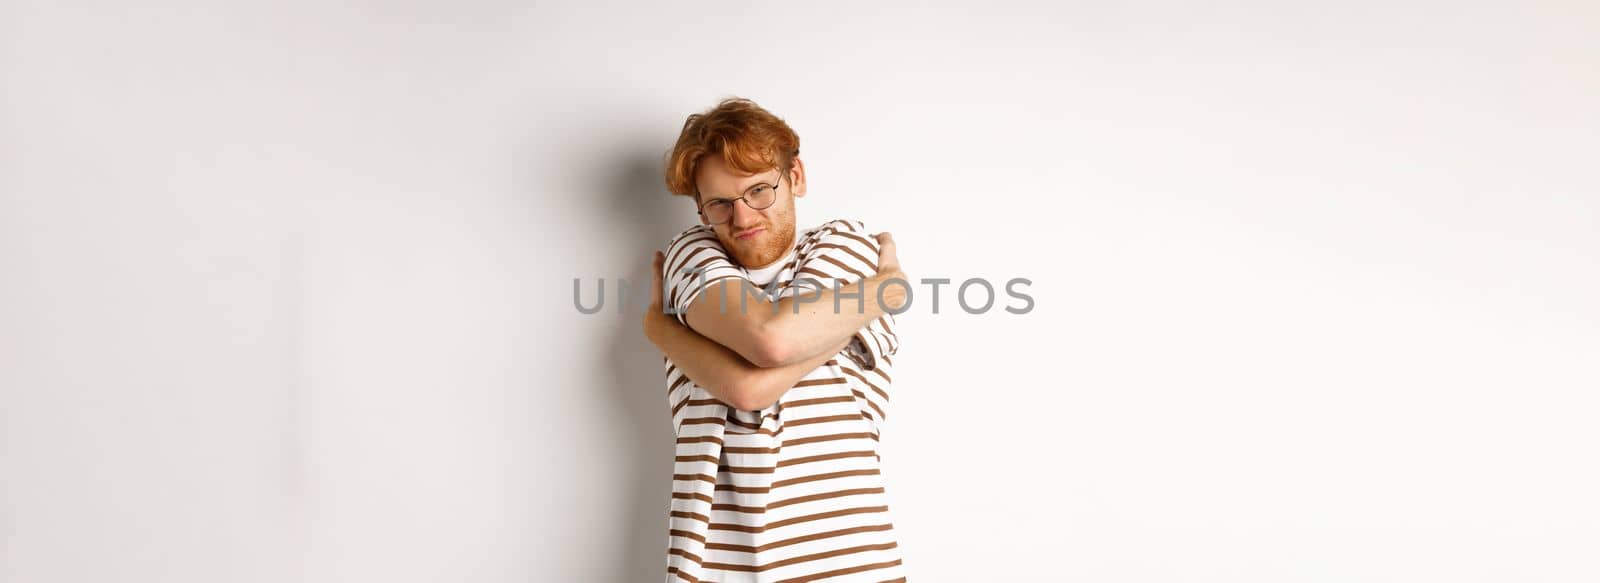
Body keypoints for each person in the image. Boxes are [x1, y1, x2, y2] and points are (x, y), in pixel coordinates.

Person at [641, 97, 910, 582]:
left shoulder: (843, 244)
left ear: (797, 177)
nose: (742, 218)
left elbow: (759, 363)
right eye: (720, 203)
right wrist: (882, 294)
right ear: (701, 210)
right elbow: (766, 351)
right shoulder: (691, 255)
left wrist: (665, 331)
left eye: (760, 190)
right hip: (717, 568)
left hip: (853, 562)